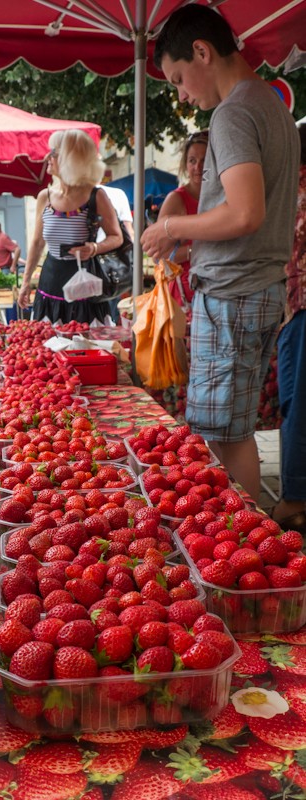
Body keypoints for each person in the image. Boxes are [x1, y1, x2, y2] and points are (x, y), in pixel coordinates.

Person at [140, 5, 300, 503]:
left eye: (180, 77)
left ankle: (243, 546)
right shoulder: (273, 106)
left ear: (203, 52)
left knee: (223, 438)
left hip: (233, 294)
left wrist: (170, 226)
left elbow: (244, 213)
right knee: (233, 431)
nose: (182, 94)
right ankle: (245, 541)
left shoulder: (234, 112)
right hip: (255, 288)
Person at [17, 129, 122, 324]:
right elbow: (37, 243)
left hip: (84, 285)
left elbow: (117, 237)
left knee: (85, 346)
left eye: (54, 153)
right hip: (50, 282)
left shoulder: (95, 196)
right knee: (48, 347)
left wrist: (94, 248)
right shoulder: (45, 197)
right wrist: (25, 283)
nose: (48, 157)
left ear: (70, 159)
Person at [273, 124, 306, 533]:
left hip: (299, 306)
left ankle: (295, 496)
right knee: (294, 400)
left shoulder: (293, 191)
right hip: (293, 306)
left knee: (296, 403)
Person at [157, 130, 209, 307]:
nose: (198, 167)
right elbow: (159, 254)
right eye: (192, 160)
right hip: (184, 297)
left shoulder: (224, 197)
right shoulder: (176, 199)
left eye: (204, 160)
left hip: (216, 290)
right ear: (185, 164)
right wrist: (195, 252)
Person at [100, 184, 134, 323]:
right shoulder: (118, 193)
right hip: (112, 268)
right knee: (110, 318)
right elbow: (129, 233)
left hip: (86, 266)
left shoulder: (73, 194)